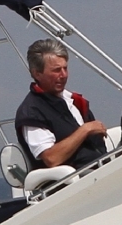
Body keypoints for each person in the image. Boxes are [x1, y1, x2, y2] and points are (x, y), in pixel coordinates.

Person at [15, 38, 110, 171]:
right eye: (56, 70)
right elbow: (51, 158)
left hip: (103, 170)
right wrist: (85, 130)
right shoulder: (32, 112)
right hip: (76, 178)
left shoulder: (73, 102)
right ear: (37, 73)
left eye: (65, 68)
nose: (64, 75)